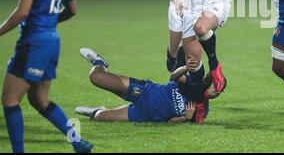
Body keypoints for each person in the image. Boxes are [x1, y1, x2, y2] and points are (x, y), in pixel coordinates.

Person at [0, 0, 93, 153]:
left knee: (10, 100)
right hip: (52, 42)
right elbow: (72, 8)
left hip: (33, 43)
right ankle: (77, 142)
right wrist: (51, 21)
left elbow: (23, 11)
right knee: (39, 100)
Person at [75, 48, 223, 124]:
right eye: (215, 86)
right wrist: (185, 68)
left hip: (145, 116)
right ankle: (100, 64)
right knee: (95, 77)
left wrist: (185, 117)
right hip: (144, 92)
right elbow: (174, 77)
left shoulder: (202, 109)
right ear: (208, 81)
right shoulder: (192, 84)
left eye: (219, 91)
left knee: (99, 117)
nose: (216, 92)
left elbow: (171, 122)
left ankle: (97, 111)